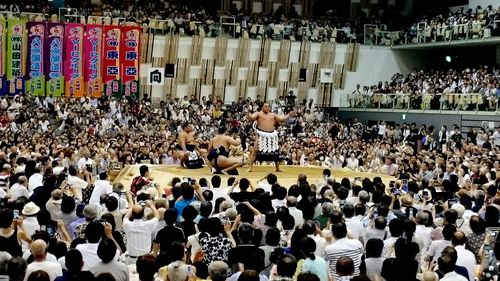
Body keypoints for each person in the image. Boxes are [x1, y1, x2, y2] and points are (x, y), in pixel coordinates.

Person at [246, 103, 295, 172]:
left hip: (271, 135)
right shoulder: (258, 114)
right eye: (265, 106)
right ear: (262, 107)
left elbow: (281, 119)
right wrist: (248, 112)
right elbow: (252, 117)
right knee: (255, 150)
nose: (267, 108)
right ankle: (250, 167)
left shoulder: (272, 115)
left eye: (268, 106)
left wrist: (289, 115)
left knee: (275, 151)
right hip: (261, 134)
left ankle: (277, 168)